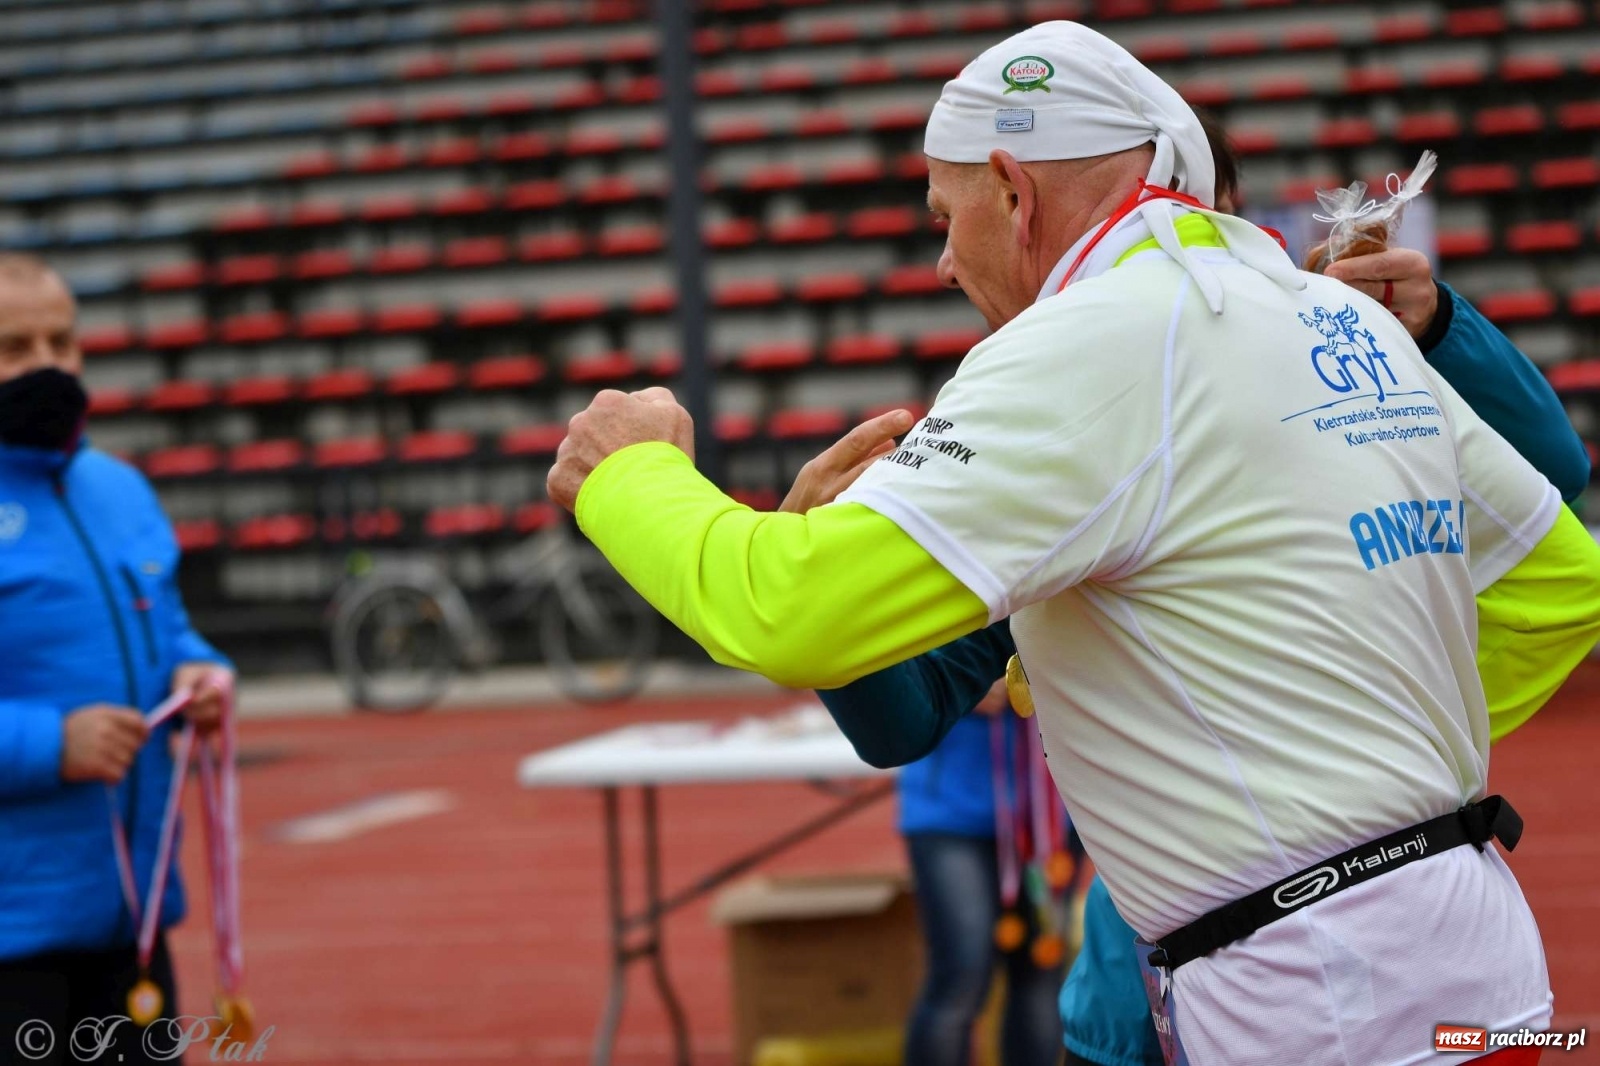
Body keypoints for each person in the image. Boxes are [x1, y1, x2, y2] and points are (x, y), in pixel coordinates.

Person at [547, 21, 1600, 1066]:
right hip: (1472, 960)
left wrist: (628, 474)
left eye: (945, 215)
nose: (944, 260)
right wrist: (1363, 762)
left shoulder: (1087, 344)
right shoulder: (1338, 316)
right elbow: (1561, 586)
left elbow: (787, 613)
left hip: (1312, 993)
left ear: (1014, 191)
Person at [0, 253, 234, 1064]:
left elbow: (169, 632)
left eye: (62, 342)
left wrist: (198, 674)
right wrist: (49, 744)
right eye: (15, 348)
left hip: (128, 921)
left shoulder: (121, 488)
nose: (48, 366)